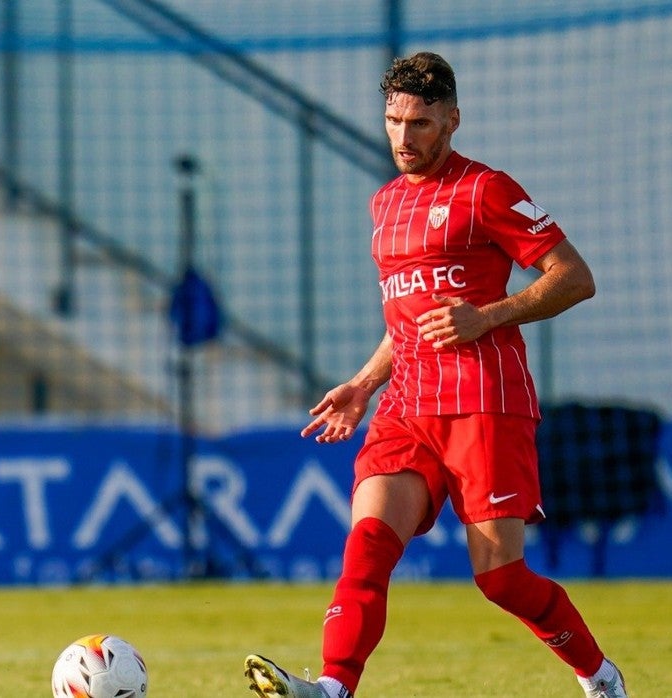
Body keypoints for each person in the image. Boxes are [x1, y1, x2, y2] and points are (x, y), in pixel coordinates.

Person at [244, 51, 628, 698]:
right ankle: (333, 688)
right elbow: (411, 318)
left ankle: (600, 676)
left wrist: (489, 316)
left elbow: (575, 278)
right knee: (367, 544)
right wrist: (365, 383)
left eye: (419, 123)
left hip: (485, 401)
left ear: (452, 120)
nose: (403, 137)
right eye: (393, 120)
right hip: (407, 406)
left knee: (500, 578)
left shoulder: (487, 190)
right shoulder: (385, 203)